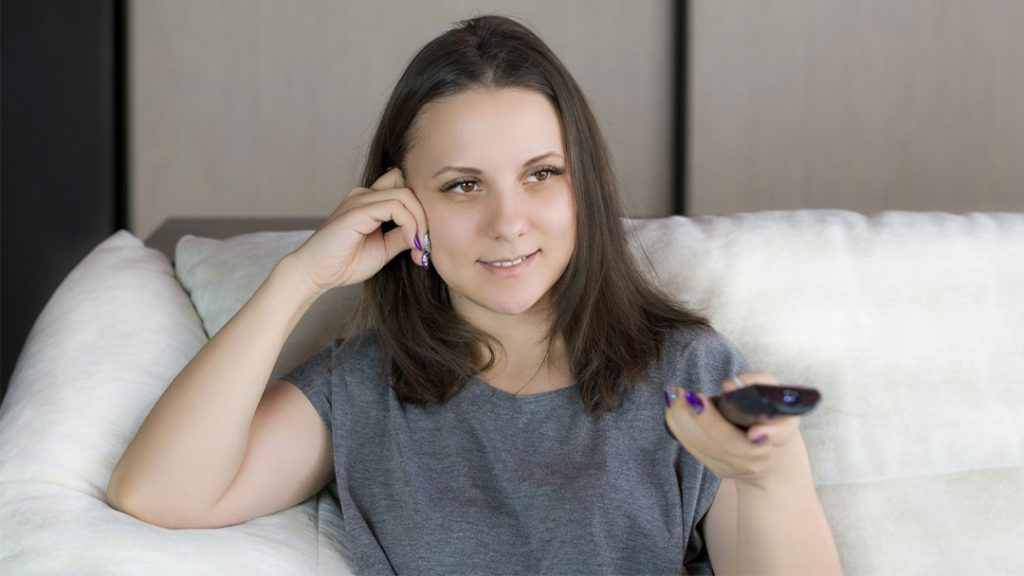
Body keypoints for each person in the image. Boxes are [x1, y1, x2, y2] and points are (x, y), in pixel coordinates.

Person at [107, 14, 842, 575]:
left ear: (584, 185)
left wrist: (772, 475)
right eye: (463, 185)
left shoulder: (688, 374)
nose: (508, 223)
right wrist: (301, 277)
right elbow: (158, 494)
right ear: (401, 203)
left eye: (542, 174)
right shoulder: (362, 389)